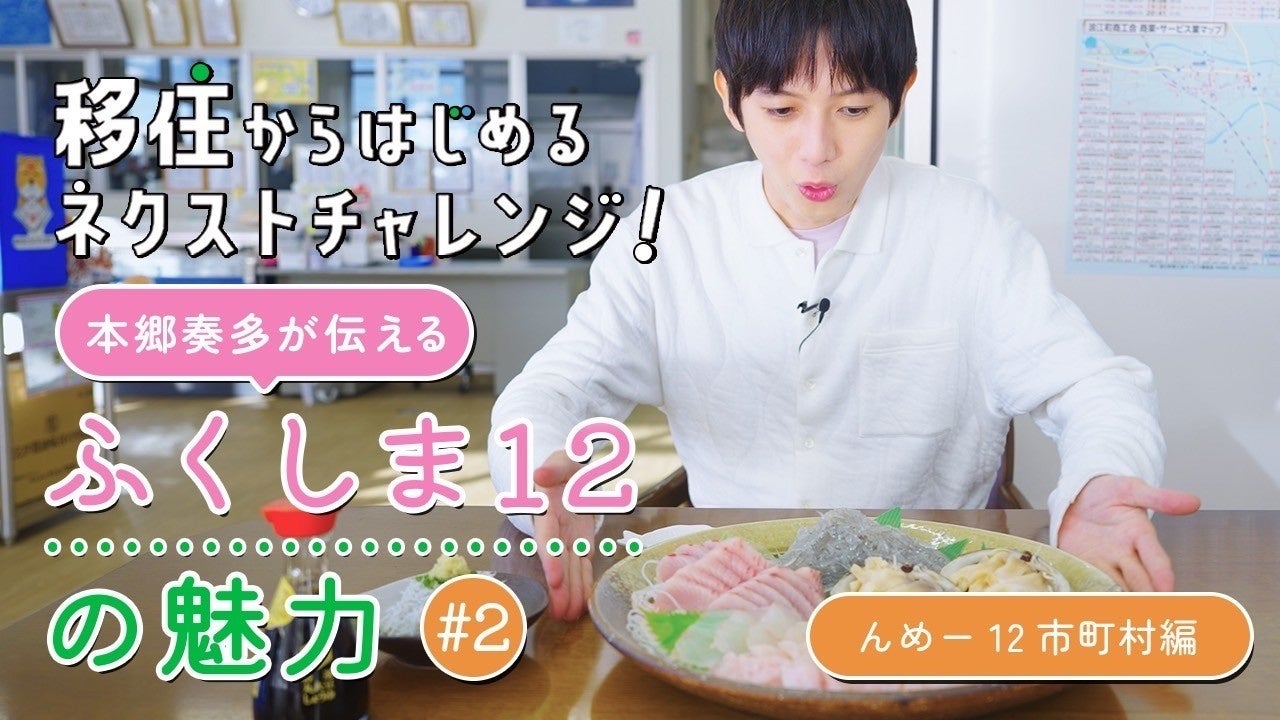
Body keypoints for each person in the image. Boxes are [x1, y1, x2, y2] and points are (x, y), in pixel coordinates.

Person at [489, 0, 1200, 622]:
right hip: (730, 591)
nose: (817, 151)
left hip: (930, 595)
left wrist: (1099, 479)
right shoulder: (668, 234)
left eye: (854, 110)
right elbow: (557, 386)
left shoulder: (966, 228)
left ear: (901, 95)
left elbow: (1092, 382)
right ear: (731, 99)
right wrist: (540, 487)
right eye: (781, 110)